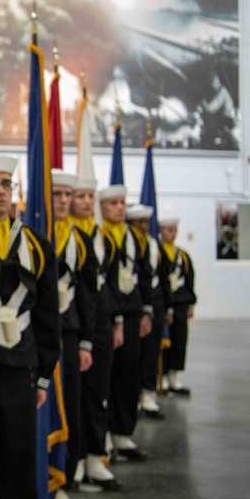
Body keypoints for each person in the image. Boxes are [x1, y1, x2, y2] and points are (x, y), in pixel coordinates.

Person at [0, 156, 59, 499]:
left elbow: (47, 316)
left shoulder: (36, 246)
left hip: (21, 371)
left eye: (6, 184)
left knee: (19, 462)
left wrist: (43, 373)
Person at [48, 170, 97, 499]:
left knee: (71, 409)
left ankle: (65, 478)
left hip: (70, 334)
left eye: (68, 194)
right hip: (37, 340)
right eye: (58, 194)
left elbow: (88, 294)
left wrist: (85, 341)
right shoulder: (33, 236)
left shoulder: (80, 240)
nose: (64, 201)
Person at [69, 177, 121, 492]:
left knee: (98, 392)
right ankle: (74, 462)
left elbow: (105, 284)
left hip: (99, 323)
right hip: (75, 325)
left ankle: (93, 456)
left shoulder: (99, 237)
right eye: (80, 196)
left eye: (90, 196)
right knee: (76, 397)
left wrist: (114, 319)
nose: (87, 202)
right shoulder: (65, 236)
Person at [99, 186, 153, 464]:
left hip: (131, 313)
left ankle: (123, 432)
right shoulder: (98, 237)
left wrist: (146, 311)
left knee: (129, 373)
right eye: (112, 204)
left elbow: (144, 275)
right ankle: (106, 433)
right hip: (107, 315)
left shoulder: (136, 239)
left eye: (122, 203)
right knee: (105, 376)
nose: (119, 208)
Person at [126, 204, 171, 419]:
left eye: (146, 222)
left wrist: (166, 305)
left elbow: (163, 277)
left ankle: (148, 394)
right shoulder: (128, 243)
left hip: (155, 302)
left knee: (151, 351)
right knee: (133, 354)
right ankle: (132, 397)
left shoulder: (154, 246)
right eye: (139, 222)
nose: (143, 226)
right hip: (132, 304)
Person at [158, 217, 196, 395]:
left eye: (174, 229)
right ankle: (163, 375)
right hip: (164, 304)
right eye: (168, 230)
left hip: (180, 303)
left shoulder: (183, 255)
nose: (172, 233)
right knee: (166, 342)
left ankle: (174, 376)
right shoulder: (157, 253)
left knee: (180, 340)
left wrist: (190, 304)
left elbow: (189, 279)